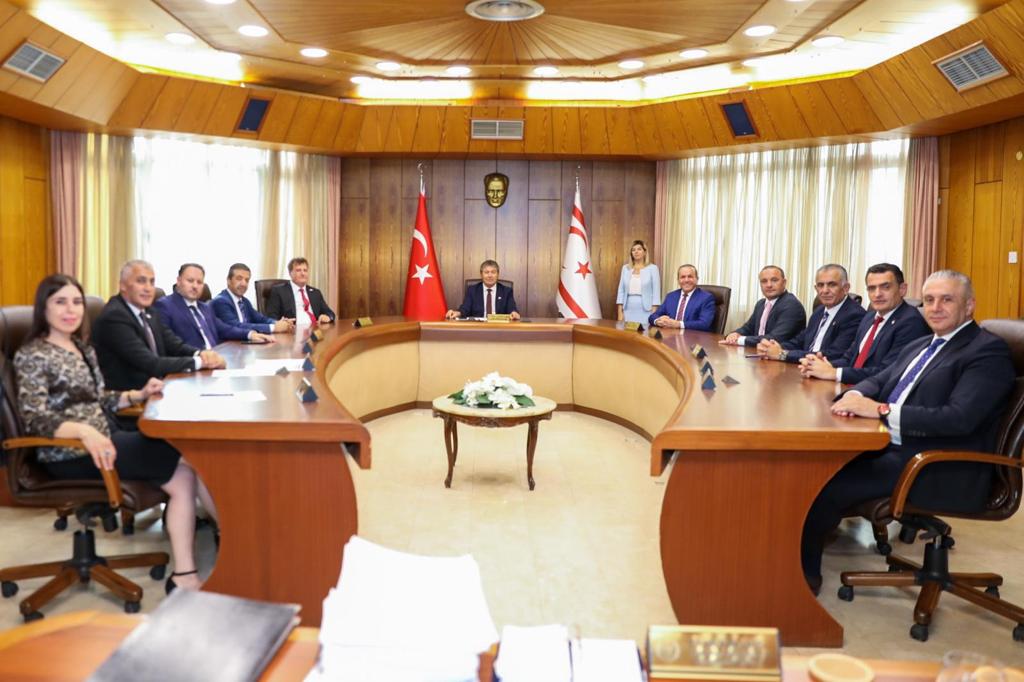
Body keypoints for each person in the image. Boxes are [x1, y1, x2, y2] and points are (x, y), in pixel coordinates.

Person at [800, 270, 1014, 593]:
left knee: (820, 484)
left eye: (947, 300)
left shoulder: (986, 352)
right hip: (897, 447)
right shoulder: (923, 344)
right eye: (929, 300)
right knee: (810, 467)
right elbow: (880, 379)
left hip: (937, 464)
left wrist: (881, 410)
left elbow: (958, 419)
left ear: (969, 305)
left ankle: (802, 581)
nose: (935, 308)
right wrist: (853, 396)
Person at [15, 274, 220, 592]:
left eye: (77, 302)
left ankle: (187, 573)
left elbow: (100, 398)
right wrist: (84, 432)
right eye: (60, 302)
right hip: (68, 452)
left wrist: (138, 394)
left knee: (184, 472)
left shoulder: (81, 348)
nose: (71, 309)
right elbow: (35, 417)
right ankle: (230, 542)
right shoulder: (32, 354)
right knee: (189, 457)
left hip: (104, 441)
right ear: (44, 308)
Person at [92, 260, 226, 391]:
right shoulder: (115, 316)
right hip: (132, 396)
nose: (148, 288)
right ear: (123, 285)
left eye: (152, 282)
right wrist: (202, 362)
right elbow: (150, 363)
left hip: (158, 387)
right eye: (141, 281)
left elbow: (174, 345)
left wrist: (201, 353)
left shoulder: (149, 312)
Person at [800, 263, 931, 384]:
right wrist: (820, 366)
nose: (877, 294)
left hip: (875, 395)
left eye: (885, 287)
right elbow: (849, 358)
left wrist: (835, 373)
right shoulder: (869, 317)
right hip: (852, 386)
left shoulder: (911, 322)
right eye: (872, 288)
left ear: (902, 289)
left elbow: (888, 373)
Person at [756, 264, 863, 362]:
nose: (825, 290)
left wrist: (782, 354)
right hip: (804, 367)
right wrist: (771, 348)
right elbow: (799, 341)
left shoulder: (854, 315)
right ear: (816, 288)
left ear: (846, 288)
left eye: (832, 285)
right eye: (820, 285)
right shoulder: (819, 311)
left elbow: (833, 354)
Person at [154, 263, 275, 349]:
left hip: (216, 360)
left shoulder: (204, 308)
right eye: (190, 281)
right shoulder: (165, 305)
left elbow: (225, 329)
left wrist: (250, 334)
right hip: (191, 366)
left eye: (199, 282)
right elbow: (170, 344)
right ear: (179, 281)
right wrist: (199, 356)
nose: (195, 286)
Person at [720, 265, 805, 347]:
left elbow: (775, 338)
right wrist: (734, 334)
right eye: (764, 281)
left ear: (784, 282)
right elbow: (748, 328)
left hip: (782, 355)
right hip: (758, 352)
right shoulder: (761, 304)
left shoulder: (791, 305)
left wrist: (740, 340)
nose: (769, 285)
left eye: (774, 280)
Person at [212, 263, 295, 334]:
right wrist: (273, 327)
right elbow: (236, 326)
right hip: (227, 345)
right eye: (239, 279)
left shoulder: (244, 301)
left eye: (247, 280)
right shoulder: (221, 301)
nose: (244, 284)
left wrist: (279, 323)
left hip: (245, 343)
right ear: (228, 280)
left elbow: (261, 319)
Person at [265, 257, 335, 325]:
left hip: (315, 328)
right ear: (290, 273)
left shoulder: (315, 293)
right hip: (293, 330)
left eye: (305, 270)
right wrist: (282, 323)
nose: (303, 273)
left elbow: (330, 313)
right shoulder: (279, 291)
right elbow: (271, 317)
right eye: (298, 270)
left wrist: (328, 317)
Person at [446, 260, 520, 320]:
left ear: (498, 274)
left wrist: (514, 313)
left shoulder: (506, 291)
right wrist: (457, 313)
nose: (490, 275)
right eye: (486, 272)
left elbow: (511, 308)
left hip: (499, 327)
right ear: (481, 274)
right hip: (478, 327)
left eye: (493, 272)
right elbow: (465, 308)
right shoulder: (472, 290)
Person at [648, 264, 716, 331]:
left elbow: (704, 324)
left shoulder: (706, 298)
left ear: (697, 279)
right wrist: (658, 321)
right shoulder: (671, 296)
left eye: (690, 276)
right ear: (678, 280)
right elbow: (652, 316)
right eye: (682, 277)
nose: (686, 280)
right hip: (670, 335)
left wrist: (678, 324)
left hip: (693, 336)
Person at [616, 240, 661, 327]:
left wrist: (654, 314)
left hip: (646, 310)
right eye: (633, 250)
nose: (636, 252)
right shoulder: (625, 268)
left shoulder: (653, 268)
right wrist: (620, 312)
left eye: (639, 249)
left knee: (644, 332)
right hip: (628, 308)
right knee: (627, 332)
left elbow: (656, 292)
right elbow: (621, 291)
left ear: (645, 252)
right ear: (631, 253)